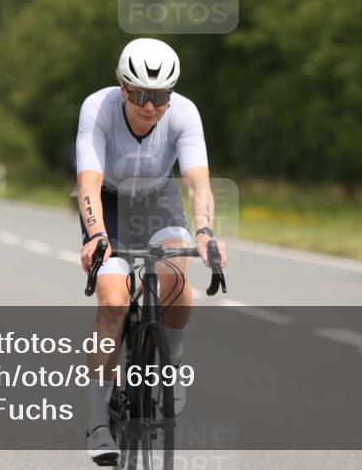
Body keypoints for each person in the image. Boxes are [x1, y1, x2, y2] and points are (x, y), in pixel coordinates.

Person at [75, 38, 227, 463]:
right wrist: (95, 236)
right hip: (109, 204)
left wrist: (206, 232)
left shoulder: (184, 113)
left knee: (177, 278)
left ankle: (171, 360)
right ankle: (98, 422)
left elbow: (197, 182)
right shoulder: (98, 109)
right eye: (142, 94)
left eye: (161, 96)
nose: (151, 105)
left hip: (158, 201)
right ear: (123, 87)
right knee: (113, 302)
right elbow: (87, 183)